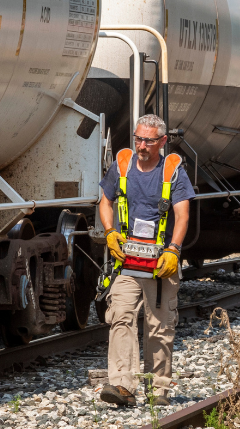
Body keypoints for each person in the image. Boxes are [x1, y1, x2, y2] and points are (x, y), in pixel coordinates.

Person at [97, 114, 193, 407]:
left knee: (159, 327)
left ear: (162, 142)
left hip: (160, 263)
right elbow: (105, 201)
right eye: (138, 139)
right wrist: (110, 233)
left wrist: (174, 250)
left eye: (149, 141)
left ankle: (158, 389)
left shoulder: (172, 171)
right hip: (126, 262)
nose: (142, 145)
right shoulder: (123, 166)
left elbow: (183, 214)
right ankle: (123, 385)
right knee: (121, 317)